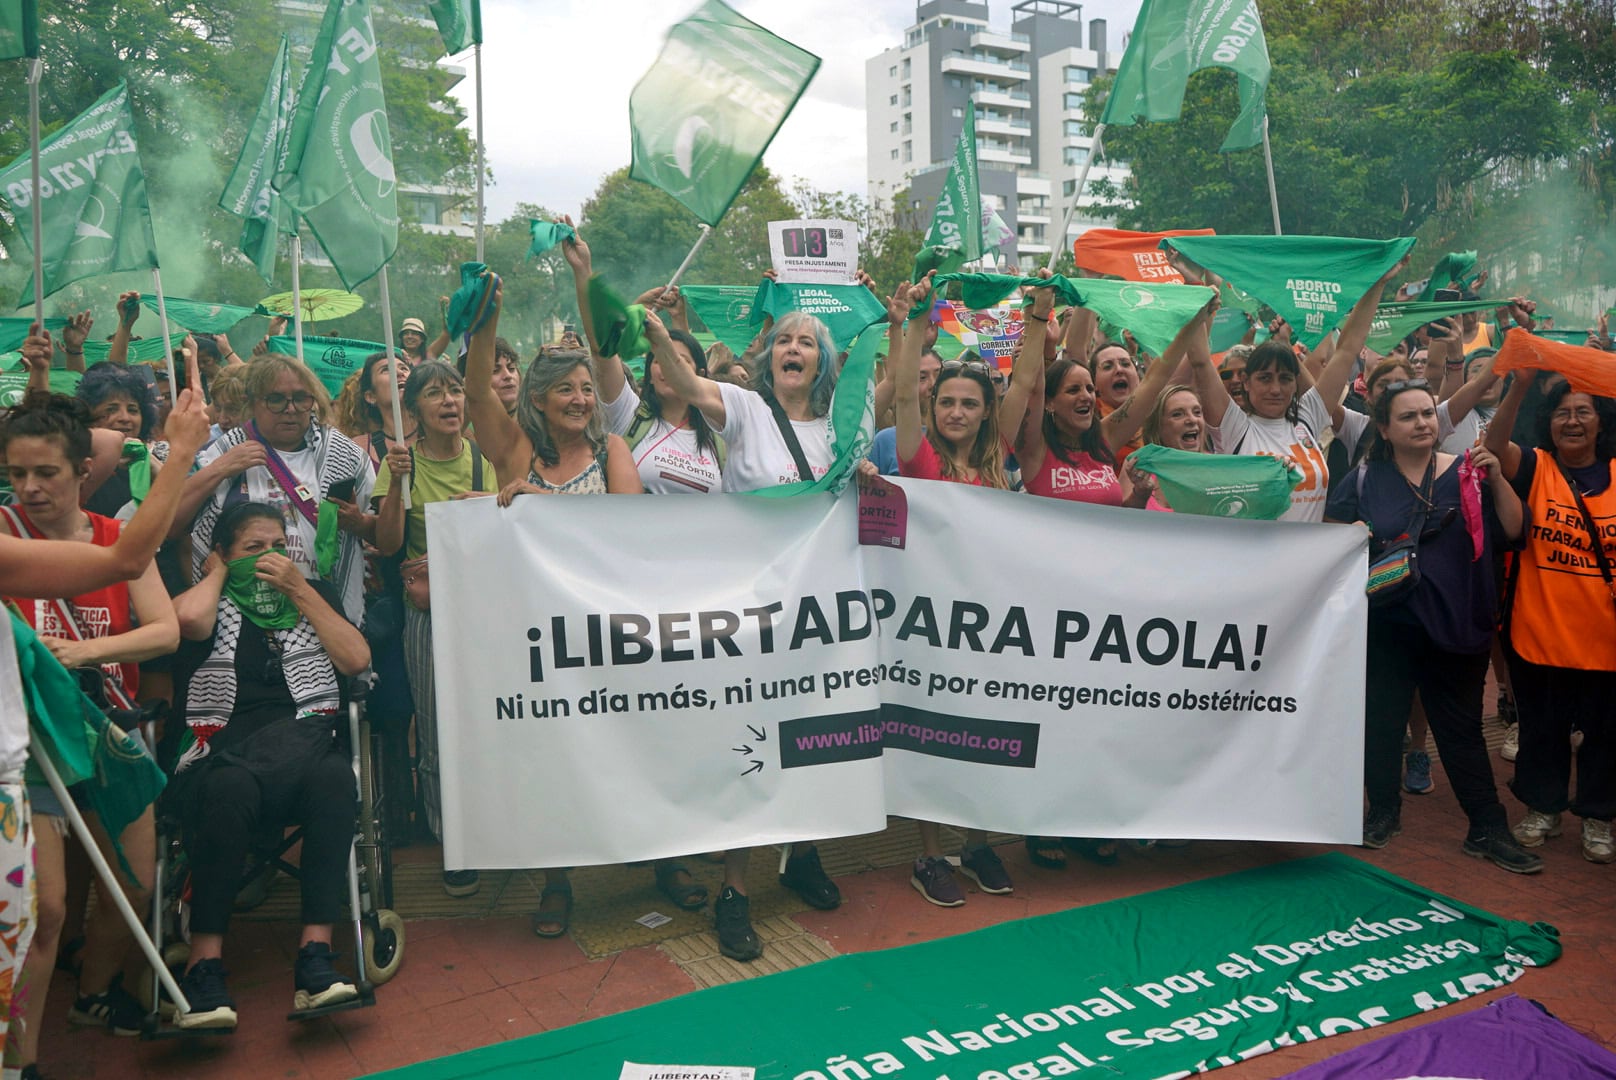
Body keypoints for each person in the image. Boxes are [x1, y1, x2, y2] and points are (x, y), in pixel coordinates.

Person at [636, 274, 853, 959]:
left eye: (807, 342)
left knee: (810, 743)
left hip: (815, 620)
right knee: (749, 750)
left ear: (822, 362)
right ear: (769, 357)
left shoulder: (843, 426)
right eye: (784, 339)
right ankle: (735, 890)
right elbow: (688, 383)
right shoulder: (746, 409)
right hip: (749, 615)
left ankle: (803, 853)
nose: (794, 348)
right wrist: (658, 334)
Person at [0, 394, 178, 1062]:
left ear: (83, 471)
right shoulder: (3, 531)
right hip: (33, 747)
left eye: (46, 471)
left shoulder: (112, 536)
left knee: (136, 879)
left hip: (107, 729)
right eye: (16, 472)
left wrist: (83, 653)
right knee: (45, 911)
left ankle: (95, 992)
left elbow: (162, 631)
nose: (29, 487)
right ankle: (25, 1057)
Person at [464, 276, 642, 939]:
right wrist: (489, 321)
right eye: (565, 388)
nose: (579, 398)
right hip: (534, 639)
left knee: (631, 748)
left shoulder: (612, 451)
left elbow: (629, 531)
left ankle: (661, 863)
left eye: (586, 389)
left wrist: (547, 508)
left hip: (606, 633)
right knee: (547, 759)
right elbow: (479, 391)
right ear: (537, 399)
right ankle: (557, 881)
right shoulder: (515, 450)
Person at [169, 502, 371, 1030]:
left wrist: (299, 591)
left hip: (304, 743)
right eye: (253, 548)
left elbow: (356, 661)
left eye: (278, 546)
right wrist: (217, 574)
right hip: (222, 750)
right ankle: (204, 964)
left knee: (334, 780)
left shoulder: (312, 595)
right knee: (230, 787)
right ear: (223, 555)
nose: (269, 558)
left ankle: (316, 959)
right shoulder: (208, 604)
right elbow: (187, 621)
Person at [1325, 379, 1540, 873]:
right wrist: (1355, 539)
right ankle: (1382, 813)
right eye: (1408, 416)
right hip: (1388, 626)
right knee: (1381, 726)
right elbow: (1332, 548)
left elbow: (1513, 530)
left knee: (1461, 730)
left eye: (1427, 414)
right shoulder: (1361, 480)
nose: (1422, 423)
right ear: (1384, 427)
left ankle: (1487, 827)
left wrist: (1499, 478)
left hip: (1458, 625)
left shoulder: (1470, 472)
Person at [884, 270, 1044, 904]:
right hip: (929, 622)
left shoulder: (998, 462)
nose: (955, 411)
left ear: (985, 413)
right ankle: (929, 855)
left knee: (986, 731)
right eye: (945, 401)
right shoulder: (919, 459)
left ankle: (977, 843)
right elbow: (900, 397)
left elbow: (1027, 381)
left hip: (992, 622)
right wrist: (915, 320)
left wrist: (1038, 317)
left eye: (968, 403)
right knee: (932, 734)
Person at [372, 362, 497, 896]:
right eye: (435, 394)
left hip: (481, 610)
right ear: (413, 409)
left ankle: (493, 827)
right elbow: (387, 542)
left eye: (455, 392)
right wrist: (397, 483)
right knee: (437, 725)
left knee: (487, 719)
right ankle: (452, 840)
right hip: (426, 613)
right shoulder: (399, 464)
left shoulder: (482, 462)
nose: (449, 402)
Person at [1485, 373, 1616, 864]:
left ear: (1602, 422)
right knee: (1543, 729)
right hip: (1539, 631)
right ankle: (1543, 809)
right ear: (1549, 423)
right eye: (1562, 412)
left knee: (1606, 734)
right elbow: (1494, 449)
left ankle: (1599, 817)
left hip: (1606, 638)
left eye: (1584, 411)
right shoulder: (1536, 466)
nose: (1572, 421)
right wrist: (1518, 386)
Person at [1194, 258, 1407, 522]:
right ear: (1246, 383)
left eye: (1285, 378)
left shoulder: (1309, 416)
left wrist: (1378, 282)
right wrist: (1198, 292)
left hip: (1310, 561)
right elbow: (1201, 362)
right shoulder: (1233, 428)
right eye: (1264, 378)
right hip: (1254, 560)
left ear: (1296, 383)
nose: (1275, 388)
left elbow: (1348, 348)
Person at [176, 355, 375, 625]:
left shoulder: (345, 455)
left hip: (325, 614)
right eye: (276, 399)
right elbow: (172, 525)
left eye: (301, 398)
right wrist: (220, 469)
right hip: (239, 619)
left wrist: (359, 522)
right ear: (253, 403)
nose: (290, 409)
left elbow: (384, 538)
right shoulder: (225, 452)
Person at [562, 234, 726, 494]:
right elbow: (602, 347)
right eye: (659, 360)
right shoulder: (629, 416)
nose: (668, 368)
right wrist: (583, 270)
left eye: (679, 362)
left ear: (700, 375)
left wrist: (678, 318)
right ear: (649, 373)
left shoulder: (721, 436)